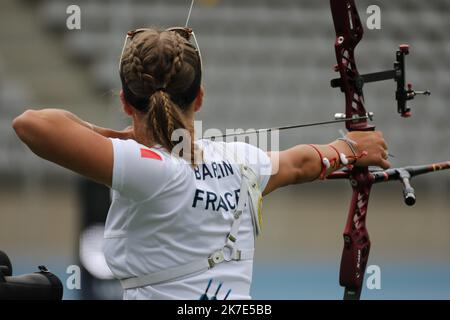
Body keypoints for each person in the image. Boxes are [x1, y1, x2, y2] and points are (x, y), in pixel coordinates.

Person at [12, 27, 390, 300]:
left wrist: (115, 136)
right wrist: (350, 147)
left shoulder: (146, 167)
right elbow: (302, 163)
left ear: (126, 103)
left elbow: (32, 124)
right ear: (200, 98)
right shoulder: (241, 160)